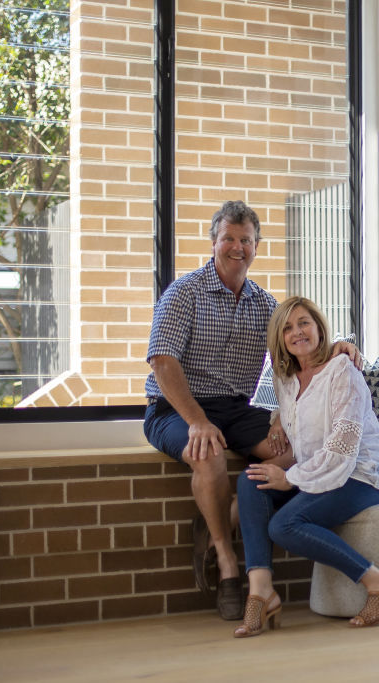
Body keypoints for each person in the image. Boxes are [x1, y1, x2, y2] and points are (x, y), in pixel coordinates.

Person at [143, 201, 357, 620]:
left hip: (238, 408)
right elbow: (162, 362)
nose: (237, 247)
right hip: (176, 407)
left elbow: (295, 347)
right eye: (229, 239)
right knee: (207, 453)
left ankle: (216, 522)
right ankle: (226, 564)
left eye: (246, 240)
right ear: (213, 242)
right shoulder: (183, 293)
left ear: (257, 247)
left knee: (293, 449)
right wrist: (197, 421)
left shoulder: (265, 304)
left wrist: (341, 347)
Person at [233, 296, 379, 638]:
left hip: (361, 473)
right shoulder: (286, 378)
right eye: (287, 328)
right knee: (250, 482)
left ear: (319, 327)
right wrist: (278, 420)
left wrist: (290, 478)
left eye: (304, 323)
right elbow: (296, 415)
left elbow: (342, 448)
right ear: (280, 339)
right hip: (320, 469)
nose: (297, 332)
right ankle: (261, 590)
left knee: (284, 525)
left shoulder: (343, 370)